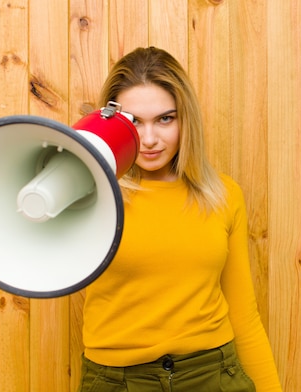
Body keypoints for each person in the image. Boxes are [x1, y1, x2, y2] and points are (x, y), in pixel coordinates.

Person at [79, 46, 282, 392]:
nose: (149, 139)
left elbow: (244, 317)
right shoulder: (89, 194)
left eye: (165, 119)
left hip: (213, 374)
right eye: (133, 122)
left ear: (185, 118)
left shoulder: (223, 194)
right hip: (118, 380)